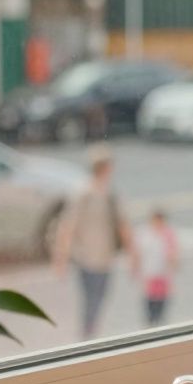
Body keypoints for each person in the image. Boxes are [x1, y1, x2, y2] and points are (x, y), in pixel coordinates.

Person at [53, 144, 134, 339]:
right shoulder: (85, 194)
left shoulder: (109, 193)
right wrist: (61, 258)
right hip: (88, 258)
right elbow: (68, 227)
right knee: (92, 300)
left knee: (98, 299)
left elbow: (123, 226)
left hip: (102, 257)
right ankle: (88, 337)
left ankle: (90, 334)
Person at [133, 208, 179, 327]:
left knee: (161, 302)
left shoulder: (168, 234)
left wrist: (173, 263)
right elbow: (138, 253)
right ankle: (151, 324)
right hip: (149, 274)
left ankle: (158, 323)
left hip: (162, 275)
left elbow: (174, 254)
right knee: (149, 302)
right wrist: (136, 268)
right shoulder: (145, 234)